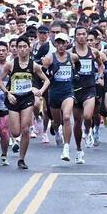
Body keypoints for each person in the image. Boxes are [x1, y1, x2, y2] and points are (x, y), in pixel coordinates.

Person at [0, 37, 49, 169]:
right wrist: (7, 93)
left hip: (27, 99)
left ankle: (21, 159)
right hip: (14, 99)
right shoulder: (10, 64)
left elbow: (47, 80)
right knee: (15, 132)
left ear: (29, 48)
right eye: (19, 46)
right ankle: (13, 137)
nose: (21, 49)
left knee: (25, 130)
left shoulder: (34, 65)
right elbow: (0, 80)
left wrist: (40, 91)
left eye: (24, 46)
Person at [41, 32, 78, 162]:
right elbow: (41, 74)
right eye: (59, 43)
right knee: (57, 122)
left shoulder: (72, 57)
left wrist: (76, 76)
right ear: (55, 44)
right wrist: (49, 75)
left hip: (68, 92)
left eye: (64, 43)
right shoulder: (49, 58)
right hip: (54, 93)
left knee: (67, 118)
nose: (61, 46)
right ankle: (57, 131)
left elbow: (78, 65)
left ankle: (66, 148)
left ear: (67, 44)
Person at [70, 26, 104, 164]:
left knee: (88, 116)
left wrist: (100, 76)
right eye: (79, 34)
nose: (82, 37)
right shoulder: (70, 53)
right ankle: (79, 150)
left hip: (90, 88)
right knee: (77, 121)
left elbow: (101, 65)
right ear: (75, 37)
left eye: (84, 34)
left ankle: (88, 130)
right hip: (75, 89)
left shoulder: (94, 52)